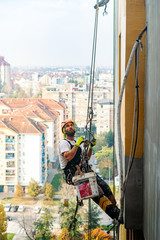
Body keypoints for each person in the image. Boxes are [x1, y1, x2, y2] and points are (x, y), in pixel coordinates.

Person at [59, 120, 120, 220]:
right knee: (98, 193)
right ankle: (115, 214)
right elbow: (68, 157)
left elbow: (86, 157)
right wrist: (77, 144)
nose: (70, 127)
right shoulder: (64, 143)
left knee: (106, 188)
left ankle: (115, 208)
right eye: (67, 126)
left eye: (71, 126)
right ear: (64, 131)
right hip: (76, 175)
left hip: (85, 171)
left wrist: (90, 147)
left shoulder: (75, 143)